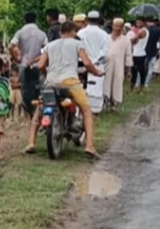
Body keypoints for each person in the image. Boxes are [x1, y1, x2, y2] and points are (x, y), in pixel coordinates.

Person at [29, 21, 104, 158]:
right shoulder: (77, 44)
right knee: (87, 111)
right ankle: (89, 146)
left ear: (60, 32)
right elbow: (87, 63)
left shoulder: (49, 46)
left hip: (51, 83)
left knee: (41, 109)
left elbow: (40, 65)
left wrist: (48, 74)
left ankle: (31, 143)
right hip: (70, 82)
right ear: (73, 32)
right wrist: (96, 72)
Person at [9, 11, 47, 119]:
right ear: (36, 20)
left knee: (25, 91)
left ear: (24, 20)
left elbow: (10, 46)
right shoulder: (42, 33)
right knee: (39, 90)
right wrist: (35, 59)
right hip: (37, 65)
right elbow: (46, 51)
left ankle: (30, 117)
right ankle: (39, 115)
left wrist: (17, 58)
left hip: (23, 66)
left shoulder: (20, 33)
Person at [104, 18, 132, 111]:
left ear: (123, 27)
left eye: (120, 26)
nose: (118, 28)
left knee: (118, 82)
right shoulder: (106, 38)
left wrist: (129, 70)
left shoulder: (126, 40)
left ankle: (115, 103)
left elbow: (128, 55)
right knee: (106, 82)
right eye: (116, 26)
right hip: (107, 64)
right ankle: (106, 101)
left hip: (119, 65)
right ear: (112, 26)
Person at [130, 18, 149, 93]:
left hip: (137, 54)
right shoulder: (146, 31)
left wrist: (132, 40)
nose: (138, 24)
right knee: (142, 72)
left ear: (144, 23)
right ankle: (141, 89)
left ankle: (131, 89)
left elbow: (133, 39)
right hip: (142, 53)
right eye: (137, 22)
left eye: (139, 22)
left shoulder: (142, 31)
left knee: (134, 72)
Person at [144, 17, 160, 88]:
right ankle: (146, 83)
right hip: (154, 51)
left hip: (144, 51)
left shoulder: (145, 29)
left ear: (148, 22)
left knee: (142, 67)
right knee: (151, 68)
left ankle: (138, 83)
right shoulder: (158, 29)